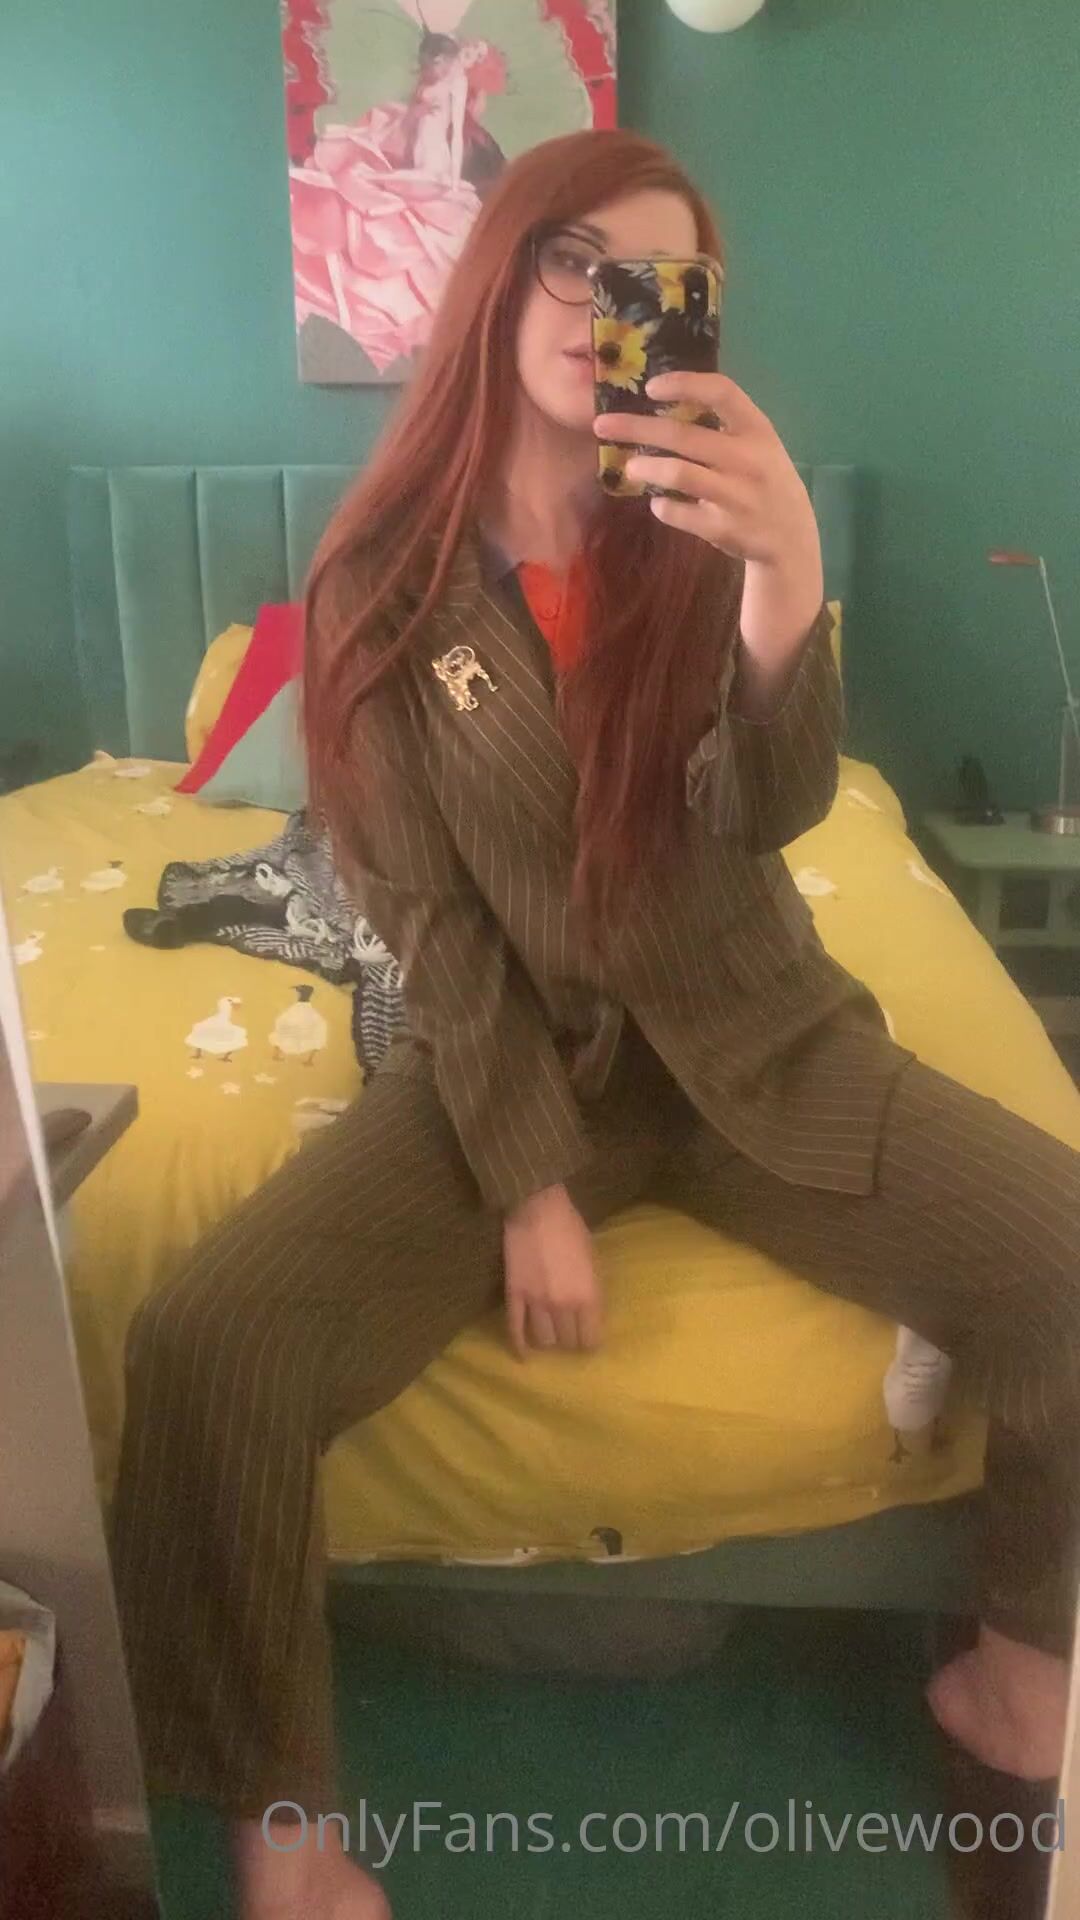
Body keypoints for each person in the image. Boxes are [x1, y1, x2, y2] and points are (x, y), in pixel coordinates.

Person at [109, 129, 1080, 1920]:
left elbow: (773, 815)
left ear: (691, 317)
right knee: (207, 1347)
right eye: (572, 256)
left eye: (655, 279)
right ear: (501, 272)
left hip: (757, 1033)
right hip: (513, 1055)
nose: (602, 303)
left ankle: (1014, 1680)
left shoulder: (701, 531)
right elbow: (427, 919)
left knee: (1069, 1252)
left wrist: (786, 588)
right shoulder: (380, 583)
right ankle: (285, 1836)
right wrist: (531, 1180)